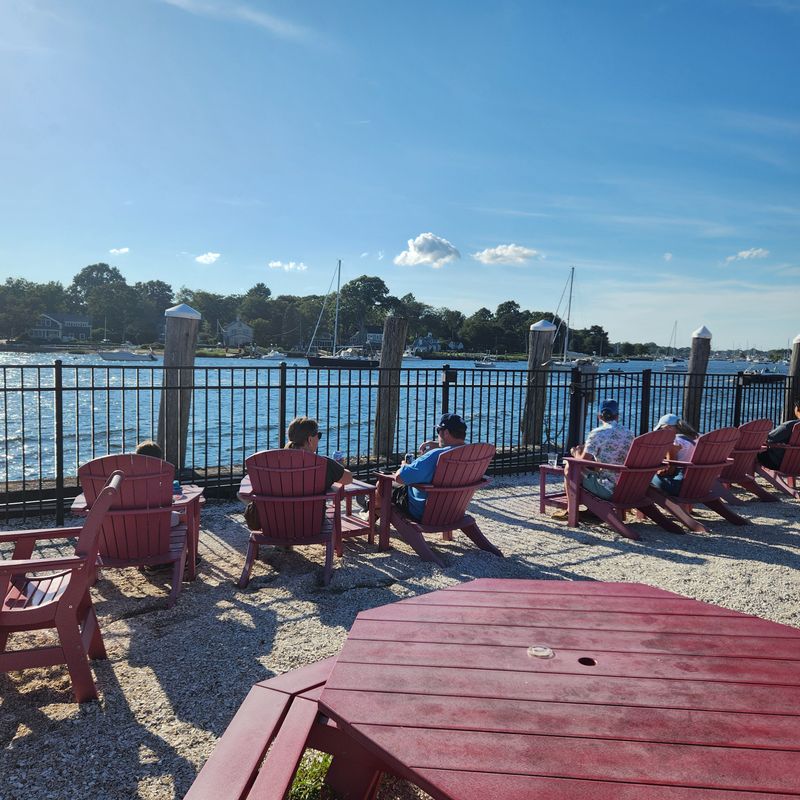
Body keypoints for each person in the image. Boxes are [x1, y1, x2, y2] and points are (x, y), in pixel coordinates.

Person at [244, 416, 352, 530]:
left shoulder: (271, 465)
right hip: (312, 525)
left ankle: (285, 544)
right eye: (318, 436)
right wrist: (338, 466)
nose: (319, 439)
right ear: (310, 440)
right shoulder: (323, 464)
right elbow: (348, 479)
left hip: (275, 524)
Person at [559, 399, 634, 516]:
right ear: (617, 416)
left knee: (570, 467)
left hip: (607, 488)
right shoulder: (628, 433)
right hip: (625, 488)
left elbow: (582, 463)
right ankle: (592, 511)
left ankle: (571, 511)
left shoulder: (597, 433)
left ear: (599, 416)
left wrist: (575, 453)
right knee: (594, 467)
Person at [391, 412, 468, 520]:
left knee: (383, 484)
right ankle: (371, 508)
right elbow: (456, 445)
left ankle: (370, 508)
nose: (437, 434)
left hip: (422, 512)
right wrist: (437, 444)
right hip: (453, 511)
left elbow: (400, 478)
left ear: (445, 432)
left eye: (438, 431)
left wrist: (404, 465)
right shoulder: (472, 454)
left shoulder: (436, 455)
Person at [650, 413, 700, 496]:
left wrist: (659, 472)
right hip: (695, 483)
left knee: (644, 480)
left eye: (661, 429)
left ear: (668, 427)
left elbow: (670, 470)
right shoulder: (694, 439)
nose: (661, 432)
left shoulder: (674, 442)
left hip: (680, 484)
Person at [757, 398, 800, 471]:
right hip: (797, 465)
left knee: (752, 453)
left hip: (779, 462)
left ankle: (743, 476)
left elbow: (768, 439)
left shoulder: (789, 426)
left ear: (798, 409)